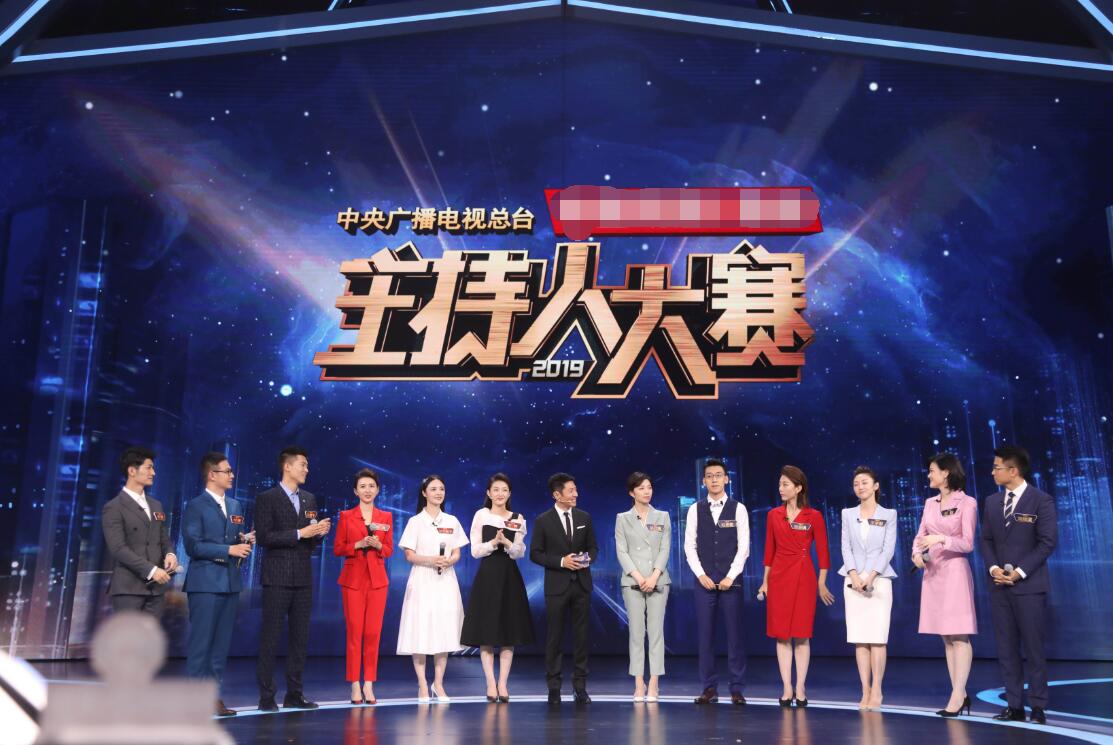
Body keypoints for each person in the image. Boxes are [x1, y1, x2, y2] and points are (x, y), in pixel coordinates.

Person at [980, 446, 1058, 725]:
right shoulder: (992, 502)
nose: (993, 472)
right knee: (1006, 648)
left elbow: (1047, 542)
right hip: (999, 586)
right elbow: (986, 540)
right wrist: (994, 568)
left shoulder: (1041, 500)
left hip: (1029, 586)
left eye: (997, 467)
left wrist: (1019, 573)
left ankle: (1038, 706)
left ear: (1013, 470)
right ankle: (1014, 705)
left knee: (1034, 649)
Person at [255, 446, 331, 711]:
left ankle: (295, 694)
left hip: (303, 578)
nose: (307, 469)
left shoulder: (309, 499)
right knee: (270, 638)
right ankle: (266, 696)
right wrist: (300, 533)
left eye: (307, 465)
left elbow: (309, 543)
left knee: (300, 639)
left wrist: (318, 533)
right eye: (303, 465)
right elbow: (264, 537)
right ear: (287, 466)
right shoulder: (267, 498)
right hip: (277, 577)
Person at [182, 452, 253, 717]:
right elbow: (193, 546)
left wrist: (244, 541)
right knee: (201, 646)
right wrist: (228, 550)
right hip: (204, 583)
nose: (232, 475)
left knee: (220, 647)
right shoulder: (196, 505)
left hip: (230, 583)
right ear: (212, 475)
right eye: (227, 471)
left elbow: (233, 539)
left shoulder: (235, 506)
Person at [757, 465, 833, 707]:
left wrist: (821, 582)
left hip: (803, 577)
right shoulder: (773, 515)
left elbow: (823, 553)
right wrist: (765, 582)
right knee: (782, 635)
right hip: (778, 577)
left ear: (798, 488)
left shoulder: (814, 516)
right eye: (780, 484)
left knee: (801, 635)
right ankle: (786, 687)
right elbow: (769, 551)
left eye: (785, 484)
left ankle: (800, 686)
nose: (781, 488)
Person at [914, 452, 978, 718]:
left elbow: (968, 543)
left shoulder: (968, 503)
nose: (929, 475)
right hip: (933, 573)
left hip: (955, 573)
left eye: (932, 470)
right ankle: (958, 692)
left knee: (959, 635)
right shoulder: (930, 503)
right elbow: (920, 535)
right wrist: (916, 554)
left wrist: (941, 539)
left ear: (946, 473)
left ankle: (958, 695)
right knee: (946, 637)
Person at [461, 473, 535, 702]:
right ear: (488, 493)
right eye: (496, 490)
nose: (500, 494)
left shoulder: (518, 518)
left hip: (509, 577)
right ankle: (490, 683)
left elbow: (520, 552)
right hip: (488, 576)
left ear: (509, 493)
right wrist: (493, 543)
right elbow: (475, 551)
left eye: (504, 490)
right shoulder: (481, 515)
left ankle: (503, 683)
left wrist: (508, 543)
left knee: (508, 633)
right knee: (486, 633)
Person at [396, 475, 469, 702]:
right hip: (422, 579)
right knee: (419, 630)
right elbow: (409, 555)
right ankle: (422, 685)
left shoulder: (452, 520)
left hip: (445, 579)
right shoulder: (415, 521)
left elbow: (457, 552)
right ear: (424, 493)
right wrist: (431, 560)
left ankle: (438, 684)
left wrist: (450, 560)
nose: (438, 493)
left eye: (442, 489)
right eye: (434, 489)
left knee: (443, 631)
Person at [684, 459, 749, 706]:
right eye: (709, 476)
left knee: (735, 637)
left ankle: (737, 688)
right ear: (703, 481)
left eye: (718, 475)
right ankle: (709, 688)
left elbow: (743, 547)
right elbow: (689, 546)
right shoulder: (695, 509)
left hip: (731, 582)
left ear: (726, 479)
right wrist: (701, 574)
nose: (714, 479)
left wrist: (730, 576)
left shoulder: (738, 509)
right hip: (704, 582)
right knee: (705, 637)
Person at [529, 472, 598, 705]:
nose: (576, 494)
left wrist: (585, 559)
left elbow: (594, 548)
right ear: (557, 495)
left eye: (575, 490)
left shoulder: (584, 517)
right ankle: (554, 688)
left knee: (581, 638)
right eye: (571, 491)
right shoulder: (543, 520)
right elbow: (535, 554)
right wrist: (561, 562)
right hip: (557, 586)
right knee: (554, 638)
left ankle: (580, 687)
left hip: (582, 584)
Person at [838, 466, 897, 711]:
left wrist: (872, 576)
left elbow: (887, 549)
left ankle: (878, 690)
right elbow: (845, 547)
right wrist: (854, 575)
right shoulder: (847, 514)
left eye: (864, 482)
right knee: (860, 640)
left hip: (879, 580)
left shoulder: (889, 514)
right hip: (852, 581)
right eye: (856, 484)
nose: (860, 487)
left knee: (877, 639)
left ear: (875, 486)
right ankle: (865, 689)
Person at [334, 468, 393, 705]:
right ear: (355, 491)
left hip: (378, 581)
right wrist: (357, 544)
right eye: (363, 486)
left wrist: (378, 546)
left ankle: (369, 683)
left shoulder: (385, 517)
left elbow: (388, 550)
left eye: (371, 486)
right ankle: (354, 685)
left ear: (377, 490)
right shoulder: (346, 516)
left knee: (373, 634)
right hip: (353, 581)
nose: (367, 490)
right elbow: (338, 548)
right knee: (354, 633)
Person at [101, 446, 177, 616]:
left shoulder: (156, 505)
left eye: (153, 468)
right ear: (132, 471)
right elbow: (118, 549)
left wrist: (170, 554)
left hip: (156, 590)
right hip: (128, 589)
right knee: (128, 634)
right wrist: (151, 570)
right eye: (149, 468)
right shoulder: (114, 507)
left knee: (151, 634)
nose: (153, 473)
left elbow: (163, 538)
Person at [615, 471, 671, 702]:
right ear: (632, 492)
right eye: (641, 488)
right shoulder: (622, 518)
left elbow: (665, 549)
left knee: (656, 633)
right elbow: (622, 551)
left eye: (649, 487)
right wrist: (639, 578)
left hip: (658, 580)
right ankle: (639, 683)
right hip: (633, 582)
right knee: (637, 634)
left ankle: (654, 683)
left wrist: (654, 576)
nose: (647, 491)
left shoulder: (663, 516)